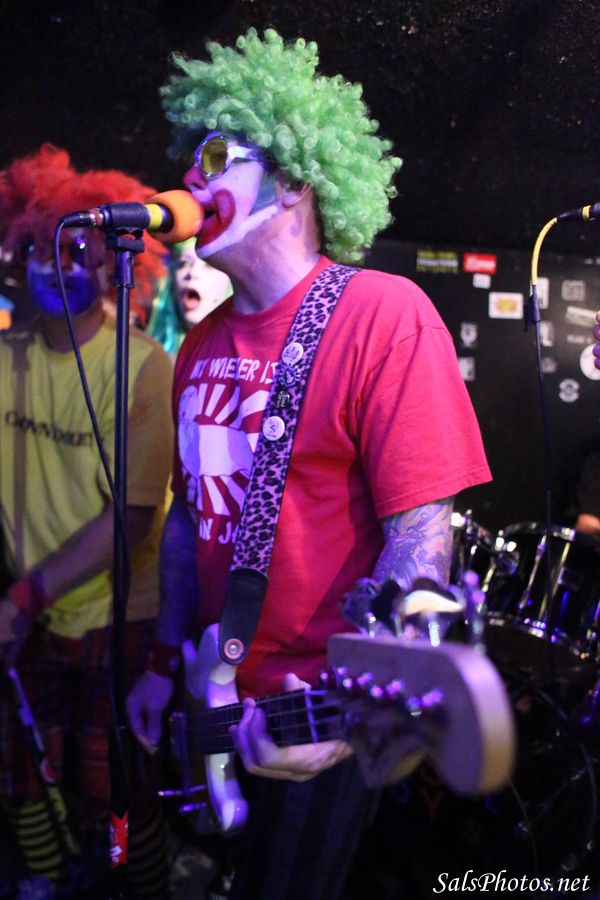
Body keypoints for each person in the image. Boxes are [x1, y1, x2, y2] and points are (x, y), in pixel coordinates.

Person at [127, 28, 492, 900]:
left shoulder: (383, 315)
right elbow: (189, 518)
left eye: (218, 157)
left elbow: (421, 539)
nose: (191, 183)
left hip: (313, 707)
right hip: (210, 690)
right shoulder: (199, 345)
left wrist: (364, 708)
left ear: (293, 179)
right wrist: (164, 659)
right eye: (190, 160)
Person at [0, 144, 173, 897]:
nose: (56, 265)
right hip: (29, 613)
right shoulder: (3, 359)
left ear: (109, 263)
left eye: (76, 251)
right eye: (41, 248)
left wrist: (21, 599)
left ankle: (142, 888)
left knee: (117, 788)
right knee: (20, 774)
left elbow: (131, 521)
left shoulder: (142, 366)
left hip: (116, 613)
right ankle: (43, 882)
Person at [147, 237, 232, 356]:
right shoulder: (151, 358)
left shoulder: (243, 358)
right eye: (184, 264)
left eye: (209, 265)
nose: (192, 273)